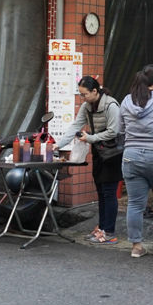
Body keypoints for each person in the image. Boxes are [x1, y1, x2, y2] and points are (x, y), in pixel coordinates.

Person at [57, 76, 122, 244]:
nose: (82, 98)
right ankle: (101, 228)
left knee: (109, 193)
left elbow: (114, 131)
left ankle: (109, 232)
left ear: (95, 91)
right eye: (80, 94)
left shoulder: (111, 105)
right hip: (99, 152)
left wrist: (91, 138)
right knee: (100, 192)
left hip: (113, 154)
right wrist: (58, 145)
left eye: (84, 94)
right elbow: (75, 126)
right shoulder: (87, 106)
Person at [119, 64, 153, 257]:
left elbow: (120, 130)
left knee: (135, 203)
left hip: (131, 156)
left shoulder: (126, 101)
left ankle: (136, 247)